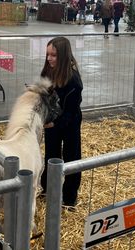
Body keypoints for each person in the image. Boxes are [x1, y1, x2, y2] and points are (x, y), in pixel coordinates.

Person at [40, 37, 83, 208]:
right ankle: (48, 188)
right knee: (51, 155)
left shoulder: (74, 80)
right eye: (47, 55)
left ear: (64, 56)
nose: (49, 59)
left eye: (54, 55)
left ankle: (69, 197)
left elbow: (71, 110)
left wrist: (56, 124)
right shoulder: (47, 71)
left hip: (70, 122)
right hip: (51, 121)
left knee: (72, 157)